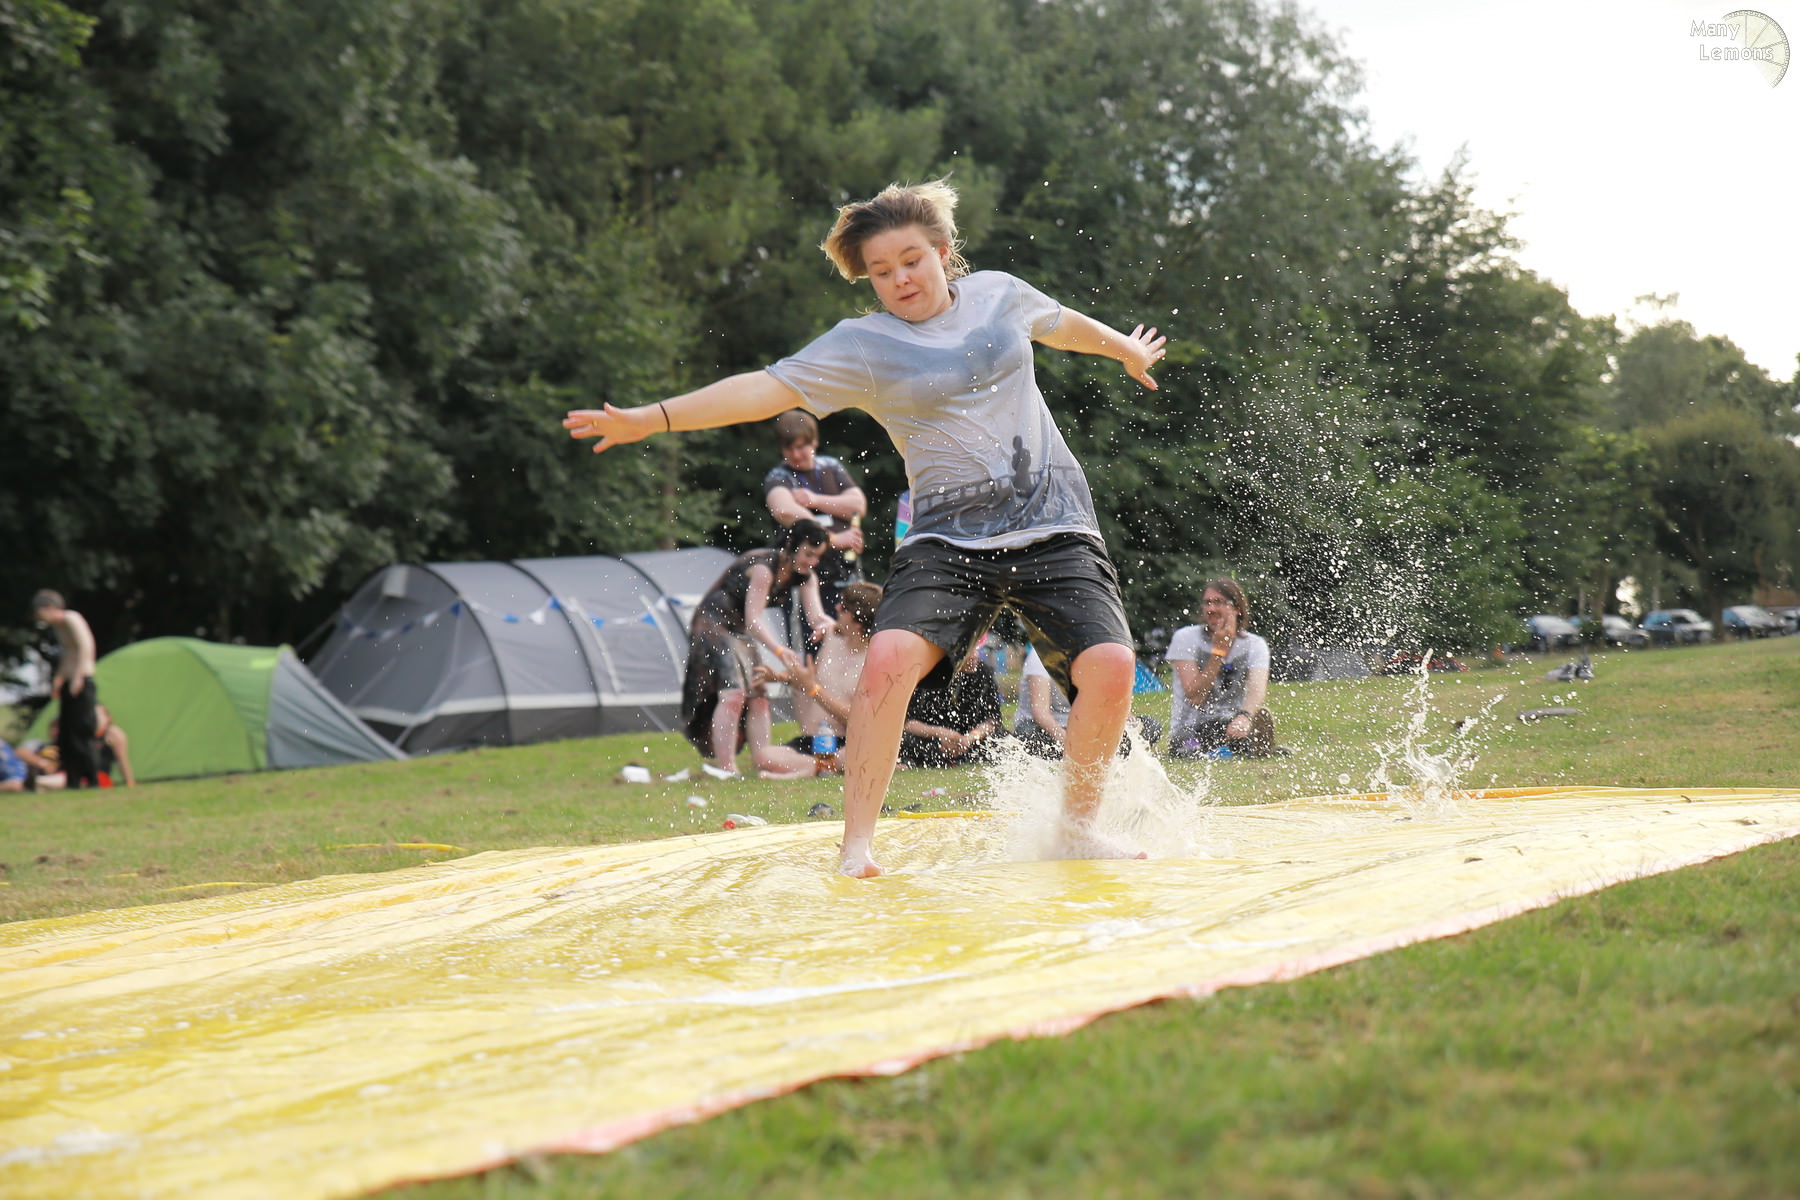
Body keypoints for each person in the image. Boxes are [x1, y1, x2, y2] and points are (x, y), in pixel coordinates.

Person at [565, 179, 1166, 877]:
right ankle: (857, 848)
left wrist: (1123, 349)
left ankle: (1077, 828)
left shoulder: (1000, 294)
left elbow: (1059, 324)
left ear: (943, 251)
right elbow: (764, 388)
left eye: (911, 261)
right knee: (888, 659)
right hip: (947, 541)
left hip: (1054, 525)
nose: (899, 279)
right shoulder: (864, 344)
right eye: (881, 271)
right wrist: (651, 418)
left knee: (1112, 665)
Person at [681, 520, 835, 779]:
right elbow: (754, 620)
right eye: (808, 554)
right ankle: (727, 768)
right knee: (734, 693)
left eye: (817, 557)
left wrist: (829, 626)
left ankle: (763, 759)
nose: (812, 562)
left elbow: (816, 616)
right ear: (791, 545)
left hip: (740, 627)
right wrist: (779, 651)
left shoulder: (806, 576)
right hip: (713, 623)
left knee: (759, 694)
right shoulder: (764, 569)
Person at [764, 409, 867, 656]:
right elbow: (783, 510)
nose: (795, 455)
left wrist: (815, 500)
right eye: (789, 449)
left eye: (801, 447)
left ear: (814, 442)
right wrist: (832, 539)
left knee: (851, 645)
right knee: (810, 650)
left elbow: (858, 505)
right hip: (804, 580)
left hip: (844, 574)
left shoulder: (831, 467)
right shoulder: (779, 476)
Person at [758, 581, 883, 757]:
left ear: (859, 624)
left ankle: (820, 765)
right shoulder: (831, 637)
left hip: (847, 742)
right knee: (765, 756)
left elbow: (857, 719)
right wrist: (779, 677)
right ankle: (820, 765)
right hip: (813, 738)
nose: (837, 608)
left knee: (848, 757)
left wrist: (814, 691)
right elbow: (810, 678)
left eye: (844, 608)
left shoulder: (874, 661)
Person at [1164, 578, 1283, 759]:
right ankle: (1250, 747)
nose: (1211, 609)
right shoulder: (1185, 638)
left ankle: (1251, 742)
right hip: (1190, 730)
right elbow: (1196, 697)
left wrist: (1245, 716)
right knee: (1191, 748)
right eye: (1207, 603)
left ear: (1237, 608)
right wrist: (1218, 653)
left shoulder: (1255, 645)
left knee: (1237, 735)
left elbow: (1256, 690)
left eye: (1218, 602)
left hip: (1232, 724)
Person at [1012, 644, 1162, 759]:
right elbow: (1041, 713)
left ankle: (1100, 753)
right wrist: (1068, 742)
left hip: (1085, 729)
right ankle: (1082, 754)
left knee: (1149, 725)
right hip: (1050, 730)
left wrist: (1126, 724)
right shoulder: (1040, 656)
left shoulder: (1097, 653)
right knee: (1027, 732)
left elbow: (1111, 702)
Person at [897, 644, 1009, 768]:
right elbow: (907, 723)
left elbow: (992, 720)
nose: (973, 656)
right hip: (934, 737)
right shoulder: (931, 674)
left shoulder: (983, 671)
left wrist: (971, 737)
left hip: (970, 738)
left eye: (975, 650)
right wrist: (941, 733)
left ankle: (946, 758)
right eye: (967, 652)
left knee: (1003, 739)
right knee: (905, 740)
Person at [32, 589, 101, 789]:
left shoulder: (71, 618)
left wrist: (78, 677)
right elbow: (68, 653)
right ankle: (73, 779)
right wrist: (59, 679)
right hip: (69, 681)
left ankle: (92, 778)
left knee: (82, 731)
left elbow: (86, 647)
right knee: (67, 733)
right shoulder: (59, 627)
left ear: (50, 607)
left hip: (82, 680)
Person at [94, 704, 136, 787]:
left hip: (100, 778)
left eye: (100, 715)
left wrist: (130, 782)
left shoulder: (115, 734)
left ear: (108, 718)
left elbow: (122, 760)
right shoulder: (80, 734)